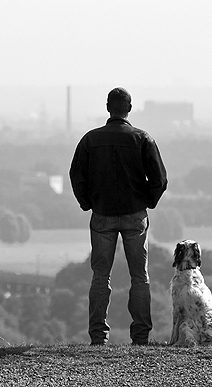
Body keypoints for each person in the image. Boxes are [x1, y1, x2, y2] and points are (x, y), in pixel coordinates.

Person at [69, 87, 168, 345]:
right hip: (135, 214)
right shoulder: (142, 138)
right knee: (140, 276)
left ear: (107, 107)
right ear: (129, 108)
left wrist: (87, 203)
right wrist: (148, 202)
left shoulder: (90, 140)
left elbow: (76, 175)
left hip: (102, 214)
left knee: (100, 276)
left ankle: (98, 336)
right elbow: (160, 179)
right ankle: (141, 336)